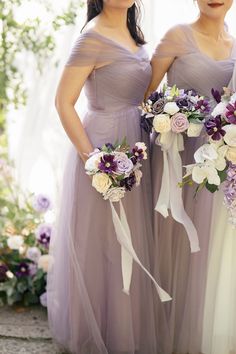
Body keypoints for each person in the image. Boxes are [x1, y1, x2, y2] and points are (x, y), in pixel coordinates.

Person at [47, 1, 169, 353]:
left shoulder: (132, 33)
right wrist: (95, 161)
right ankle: (105, 331)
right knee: (106, 243)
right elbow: (63, 102)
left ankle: (126, 327)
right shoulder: (92, 36)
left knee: (131, 240)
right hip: (106, 146)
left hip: (137, 144)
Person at [147, 0, 236, 353]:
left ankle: (199, 336)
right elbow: (143, 97)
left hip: (218, 163)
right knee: (175, 247)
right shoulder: (176, 36)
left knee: (207, 253)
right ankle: (165, 331)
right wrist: (168, 120)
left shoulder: (234, 42)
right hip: (175, 159)